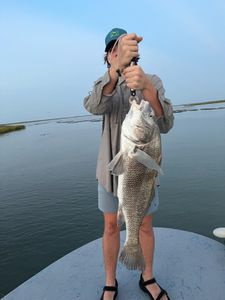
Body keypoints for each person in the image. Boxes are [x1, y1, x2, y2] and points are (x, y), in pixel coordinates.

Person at [83, 28, 174, 300]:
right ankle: (110, 282)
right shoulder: (104, 82)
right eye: (113, 48)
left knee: (144, 226)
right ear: (108, 55)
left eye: (123, 46)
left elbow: (166, 123)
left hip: (143, 173)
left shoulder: (152, 80)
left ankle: (147, 277)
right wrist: (114, 72)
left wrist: (147, 88)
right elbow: (93, 106)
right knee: (111, 226)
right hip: (109, 174)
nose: (118, 51)